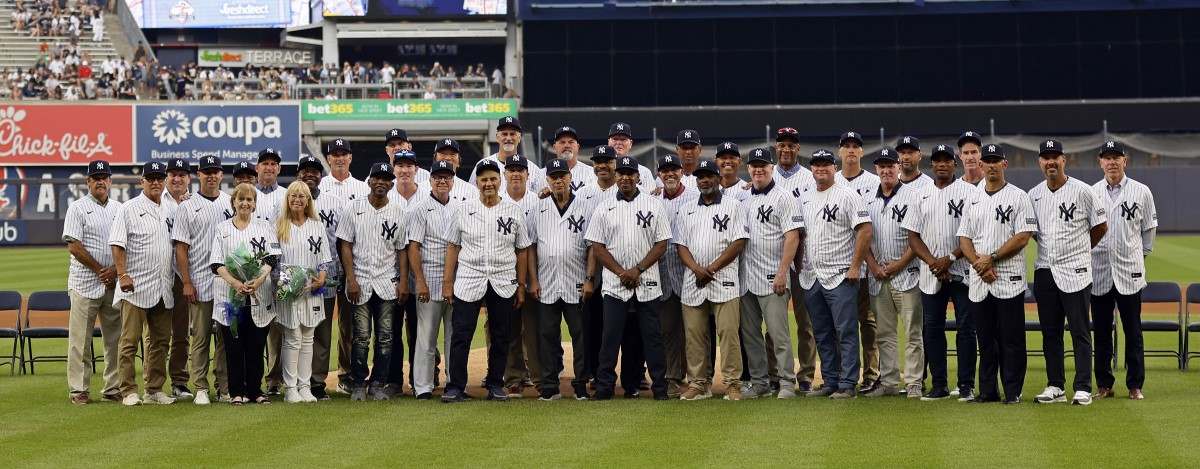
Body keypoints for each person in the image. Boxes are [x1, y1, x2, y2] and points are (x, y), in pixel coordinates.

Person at [441, 160, 532, 403]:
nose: (488, 183)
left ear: (499, 180)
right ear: (477, 183)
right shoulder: (463, 209)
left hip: (503, 279)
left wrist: (521, 285)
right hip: (469, 277)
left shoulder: (513, 211)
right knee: (461, 334)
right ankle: (455, 386)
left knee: (501, 335)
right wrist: (447, 282)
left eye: (492, 179)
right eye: (483, 180)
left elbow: (522, 249)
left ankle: (495, 384)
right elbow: (453, 246)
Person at [584, 156, 672, 401]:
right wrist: (622, 272)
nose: (625, 177)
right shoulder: (604, 207)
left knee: (652, 339)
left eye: (629, 173)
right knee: (609, 338)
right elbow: (597, 246)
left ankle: (660, 389)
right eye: (621, 173)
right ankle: (604, 388)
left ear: (638, 177)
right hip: (614, 283)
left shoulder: (653, 204)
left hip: (648, 282)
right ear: (616, 177)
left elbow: (662, 243)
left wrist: (638, 269)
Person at [1029, 139, 1108, 406]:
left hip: (1076, 271)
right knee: (1050, 332)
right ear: (1040, 162)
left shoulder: (1083, 191)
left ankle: (1083, 386)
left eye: (1055, 157)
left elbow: (1100, 226)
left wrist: (1080, 249)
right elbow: (1033, 234)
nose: (1050, 161)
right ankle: (1055, 385)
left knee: (1079, 330)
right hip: (1045, 271)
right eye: (1045, 157)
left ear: (1065, 160)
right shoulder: (1034, 195)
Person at [956, 143, 1036, 404]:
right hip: (980, 279)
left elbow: (1023, 237)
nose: (991, 165)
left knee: (1011, 339)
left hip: (1008, 278)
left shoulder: (1019, 196)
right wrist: (979, 264)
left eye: (996, 160)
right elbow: (964, 238)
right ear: (981, 165)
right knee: (986, 339)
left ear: (1005, 164)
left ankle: (1013, 391)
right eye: (987, 160)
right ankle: (988, 390)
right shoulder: (973, 197)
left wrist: (991, 258)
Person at [904, 144, 981, 401]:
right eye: (937, 160)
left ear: (954, 164)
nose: (942, 164)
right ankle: (939, 385)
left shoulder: (969, 192)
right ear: (932, 165)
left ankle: (966, 385)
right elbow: (912, 236)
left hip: (962, 270)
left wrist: (949, 259)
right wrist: (934, 262)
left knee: (966, 329)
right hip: (931, 273)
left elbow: (973, 233)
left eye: (947, 160)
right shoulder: (920, 195)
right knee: (932, 329)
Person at [799, 149, 872, 399]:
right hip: (812, 276)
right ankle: (830, 379)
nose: (821, 169)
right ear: (811, 169)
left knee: (846, 331)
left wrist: (855, 266)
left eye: (826, 164)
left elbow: (864, 230)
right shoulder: (806, 198)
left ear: (834, 167)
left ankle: (848, 382)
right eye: (816, 164)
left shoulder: (847, 194)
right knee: (822, 332)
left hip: (841, 274)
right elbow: (802, 237)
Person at [675, 159, 748, 401]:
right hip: (694, 281)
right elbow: (681, 245)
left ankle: (732, 384)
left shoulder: (733, 205)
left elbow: (739, 241)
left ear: (718, 178)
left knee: (728, 334)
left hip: (724, 280)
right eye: (700, 177)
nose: (704, 180)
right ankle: (698, 383)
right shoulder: (686, 209)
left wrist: (712, 268)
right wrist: (697, 269)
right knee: (695, 335)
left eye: (708, 176)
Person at [337, 162, 409, 401]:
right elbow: (345, 244)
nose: (380, 182)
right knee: (361, 336)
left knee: (386, 336)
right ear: (369, 182)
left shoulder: (399, 212)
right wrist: (351, 279)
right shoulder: (353, 208)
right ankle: (358, 383)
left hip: (387, 282)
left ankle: (378, 383)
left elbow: (402, 250)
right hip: (361, 281)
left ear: (391, 183)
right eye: (376, 178)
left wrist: (403, 282)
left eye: (385, 179)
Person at [1090, 141, 1156, 400]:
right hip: (1100, 271)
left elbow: (1148, 233)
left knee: (1133, 330)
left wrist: (1136, 256)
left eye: (1116, 157)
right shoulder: (1091, 192)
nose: (1112, 162)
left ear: (1125, 161)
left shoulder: (1141, 191)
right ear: (1100, 162)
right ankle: (1104, 384)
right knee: (1103, 331)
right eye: (1107, 158)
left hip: (1130, 271)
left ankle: (1135, 384)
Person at [109, 161, 177, 406]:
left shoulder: (171, 208)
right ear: (142, 182)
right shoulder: (128, 208)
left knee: (160, 341)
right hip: (135, 286)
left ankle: (154, 389)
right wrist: (122, 274)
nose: (156, 182)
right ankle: (127, 390)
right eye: (151, 178)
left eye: (160, 177)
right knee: (129, 341)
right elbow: (117, 244)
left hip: (162, 285)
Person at [738, 148, 802, 400]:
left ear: (771, 167)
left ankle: (786, 382)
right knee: (751, 335)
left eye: (763, 165)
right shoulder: (743, 198)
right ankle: (760, 382)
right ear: (749, 169)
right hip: (746, 279)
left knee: (779, 335)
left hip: (773, 276)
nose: (758, 169)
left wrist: (782, 272)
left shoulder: (784, 197)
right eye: (754, 165)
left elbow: (793, 236)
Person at [528, 158, 594, 400]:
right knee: (547, 335)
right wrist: (533, 280)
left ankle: (580, 384)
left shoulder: (585, 207)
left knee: (580, 334)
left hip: (576, 280)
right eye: (553, 176)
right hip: (546, 281)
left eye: (562, 176)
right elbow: (532, 247)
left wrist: (589, 279)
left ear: (570, 178)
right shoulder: (539, 207)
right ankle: (549, 385)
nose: (558, 180)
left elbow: (592, 248)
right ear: (547, 180)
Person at [210, 184, 280, 405]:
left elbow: (272, 257)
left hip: (259, 293)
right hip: (230, 294)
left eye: (250, 200)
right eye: (241, 199)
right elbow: (217, 263)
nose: (245, 203)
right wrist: (236, 283)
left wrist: (258, 280)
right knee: (233, 345)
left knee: (256, 344)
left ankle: (255, 390)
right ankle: (236, 391)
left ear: (255, 204)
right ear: (233, 202)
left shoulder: (265, 227)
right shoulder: (222, 228)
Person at [862, 148, 923, 398]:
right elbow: (861, 237)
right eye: (881, 166)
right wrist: (874, 266)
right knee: (884, 333)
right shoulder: (866, 198)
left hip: (907, 273)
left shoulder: (913, 196)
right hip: (877, 276)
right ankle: (888, 381)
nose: (886, 170)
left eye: (890, 165)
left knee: (912, 332)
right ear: (876, 169)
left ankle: (913, 383)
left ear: (898, 167)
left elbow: (917, 237)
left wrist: (898, 264)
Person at [171, 156, 231, 406]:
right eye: (207, 172)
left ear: (221, 174)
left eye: (215, 171)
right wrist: (186, 281)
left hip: (228, 282)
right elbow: (181, 248)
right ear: (198, 174)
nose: (211, 176)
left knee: (226, 339)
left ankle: (224, 386)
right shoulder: (187, 206)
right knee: (201, 337)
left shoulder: (231, 202)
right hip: (200, 280)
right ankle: (200, 387)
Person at [64, 160, 123, 405]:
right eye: (95, 177)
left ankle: (113, 387)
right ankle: (79, 388)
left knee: (115, 339)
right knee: (80, 340)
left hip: (112, 283)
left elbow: (125, 244)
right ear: (88, 182)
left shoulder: (120, 208)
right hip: (84, 282)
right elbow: (74, 246)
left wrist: (115, 271)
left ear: (110, 181)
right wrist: (101, 270)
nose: (100, 181)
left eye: (104, 176)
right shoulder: (77, 208)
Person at [408, 161, 462, 400]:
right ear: (430, 180)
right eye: (438, 177)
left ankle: (453, 383)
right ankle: (423, 387)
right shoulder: (420, 208)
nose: (442, 181)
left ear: (452, 180)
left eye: (446, 177)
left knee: (454, 336)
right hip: (429, 277)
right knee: (426, 336)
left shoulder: (461, 207)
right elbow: (413, 247)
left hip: (457, 278)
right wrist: (419, 281)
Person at [274, 181, 331, 404]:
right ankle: (290, 388)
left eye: (302, 196)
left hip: (312, 288)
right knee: (292, 337)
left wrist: (322, 279)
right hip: (288, 290)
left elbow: (325, 259)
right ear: (288, 200)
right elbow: (273, 261)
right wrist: (285, 281)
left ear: (308, 200)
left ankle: (304, 386)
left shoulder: (317, 226)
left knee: (308, 337)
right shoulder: (279, 224)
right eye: (293, 196)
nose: (297, 200)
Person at [318, 138, 368, 393]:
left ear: (350, 158)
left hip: (351, 267)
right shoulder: (318, 185)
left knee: (349, 324)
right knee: (321, 324)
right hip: (322, 269)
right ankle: (316, 378)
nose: (339, 158)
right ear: (328, 158)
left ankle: (346, 375)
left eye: (343, 154)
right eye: (334, 154)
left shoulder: (362, 188)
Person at [773, 126, 817, 392]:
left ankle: (807, 374)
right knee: (774, 323)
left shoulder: (810, 179)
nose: (786, 149)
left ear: (798, 148)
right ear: (776, 147)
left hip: (804, 263)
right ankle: (774, 372)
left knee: (806, 323)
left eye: (791, 145)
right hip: (772, 262)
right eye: (782, 144)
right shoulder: (766, 175)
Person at [296, 153, 342, 400]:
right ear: (298, 174)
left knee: (322, 334)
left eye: (315, 170)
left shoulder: (335, 202)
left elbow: (343, 242)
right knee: (294, 332)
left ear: (321, 176)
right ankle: (293, 381)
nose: (310, 174)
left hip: (328, 277)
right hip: (293, 280)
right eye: (306, 170)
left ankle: (316, 382)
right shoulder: (288, 201)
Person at [653, 154, 699, 398]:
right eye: (664, 170)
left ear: (682, 172)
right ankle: (673, 377)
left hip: (690, 275)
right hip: (663, 276)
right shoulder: (651, 200)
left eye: (674, 169)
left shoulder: (694, 198)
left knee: (696, 331)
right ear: (658, 174)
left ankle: (700, 378)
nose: (669, 173)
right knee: (668, 330)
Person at [501, 154, 543, 396]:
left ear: (528, 174)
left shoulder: (539, 202)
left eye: (520, 169)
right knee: (509, 330)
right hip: (504, 275)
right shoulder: (495, 201)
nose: (516, 173)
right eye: (511, 169)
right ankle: (514, 376)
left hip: (532, 274)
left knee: (534, 329)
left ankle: (539, 377)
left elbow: (534, 246)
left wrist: (532, 279)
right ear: (505, 174)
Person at [161, 158, 194, 400]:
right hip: (159, 273)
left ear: (188, 179)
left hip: (184, 274)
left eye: (182, 174)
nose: (177, 178)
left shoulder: (195, 202)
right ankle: (154, 384)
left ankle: (180, 381)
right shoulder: (154, 200)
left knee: (181, 332)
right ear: (166, 178)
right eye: (173, 174)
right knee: (157, 333)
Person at [470, 116, 543, 193]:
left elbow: (540, 200)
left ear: (519, 138)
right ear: (497, 137)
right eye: (504, 134)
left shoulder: (533, 169)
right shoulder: (482, 165)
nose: (508, 138)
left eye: (512, 134)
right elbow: (471, 194)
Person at [606, 122, 659, 194]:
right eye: (615, 139)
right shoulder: (601, 171)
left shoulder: (644, 172)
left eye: (623, 139)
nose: (618, 142)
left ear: (630, 143)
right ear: (608, 142)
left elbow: (651, 198)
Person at [835, 131, 880, 197]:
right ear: (839, 152)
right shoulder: (831, 181)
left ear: (862, 153)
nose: (851, 151)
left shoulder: (875, 181)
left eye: (855, 146)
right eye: (847, 146)